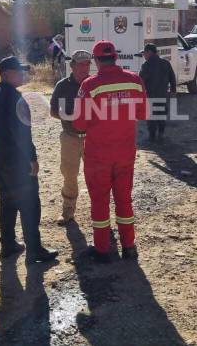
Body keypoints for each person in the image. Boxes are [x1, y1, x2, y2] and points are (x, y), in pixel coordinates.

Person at [74, 41, 147, 263]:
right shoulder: (134, 80)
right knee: (124, 200)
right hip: (125, 153)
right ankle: (129, 247)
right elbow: (142, 113)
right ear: (116, 57)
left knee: (100, 201)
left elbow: (79, 124)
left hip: (98, 155)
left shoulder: (89, 85)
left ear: (96, 61)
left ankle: (103, 249)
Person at [0, 56, 59, 265]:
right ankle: (34, 250)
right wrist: (32, 158)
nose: (22, 74)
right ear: (6, 74)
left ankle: (8, 246)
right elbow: (22, 134)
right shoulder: (15, 98)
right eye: (19, 71)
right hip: (16, 160)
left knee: (7, 202)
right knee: (29, 204)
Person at [50, 50, 92, 226]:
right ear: (72, 66)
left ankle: (99, 211)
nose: (84, 67)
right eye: (80, 64)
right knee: (69, 174)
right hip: (70, 138)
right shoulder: (62, 86)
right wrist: (70, 117)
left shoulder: (95, 84)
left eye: (87, 64)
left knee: (95, 175)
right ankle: (68, 211)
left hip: (93, 138)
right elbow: (53, 111)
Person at [139, 43, 177, 143]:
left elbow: (140, 82)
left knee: (151, 118)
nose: (144, 56)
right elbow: (172, 78)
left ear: (149, 52)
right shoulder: (166, 63)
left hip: (151, 96)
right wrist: (173, 91)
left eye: (144, 53)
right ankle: (161, 135)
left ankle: (152, 137)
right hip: (163, 95)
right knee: (161, 116)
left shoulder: (146, 65)